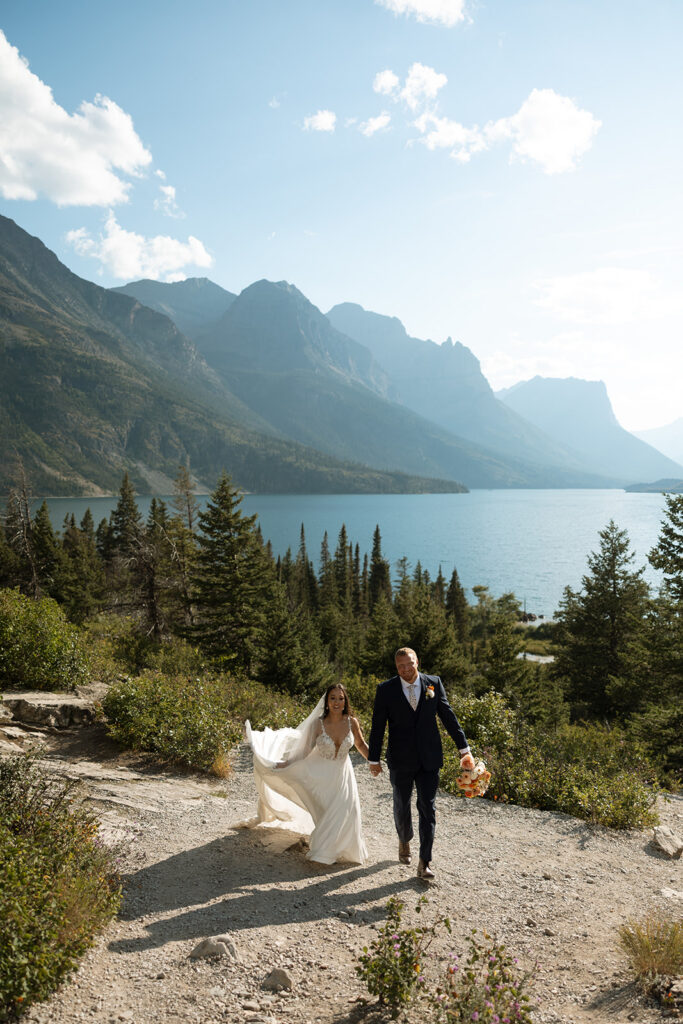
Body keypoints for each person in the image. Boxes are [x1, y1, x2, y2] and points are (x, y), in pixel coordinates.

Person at [368, 646, 475, 879]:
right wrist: (373, 759)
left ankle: (424, 861)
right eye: (401, 666)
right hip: (400, 759)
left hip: (429, 758)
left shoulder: (433, 683)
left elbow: (448, 717)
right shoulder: (386, 690)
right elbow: (378, 726)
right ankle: (404, 839)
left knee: (428, 807)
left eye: (409, 664)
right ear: (396, 667)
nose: (406, 669)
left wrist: (464, 750)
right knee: (401, 804)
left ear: (417, 662)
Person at [244, 683, 369, 865]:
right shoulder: (318, 724)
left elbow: (361, 744)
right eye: (333, 698)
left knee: (348, 811)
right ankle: (328, 850)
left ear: (345, 701)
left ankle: (339, 851)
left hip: (343, 776)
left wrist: (374, 761)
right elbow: (304, 751)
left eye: (340, 698)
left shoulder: (352, 722)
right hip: (320, 776)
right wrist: (285, 765)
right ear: (327, 701)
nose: (337, 702)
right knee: (327, 814)